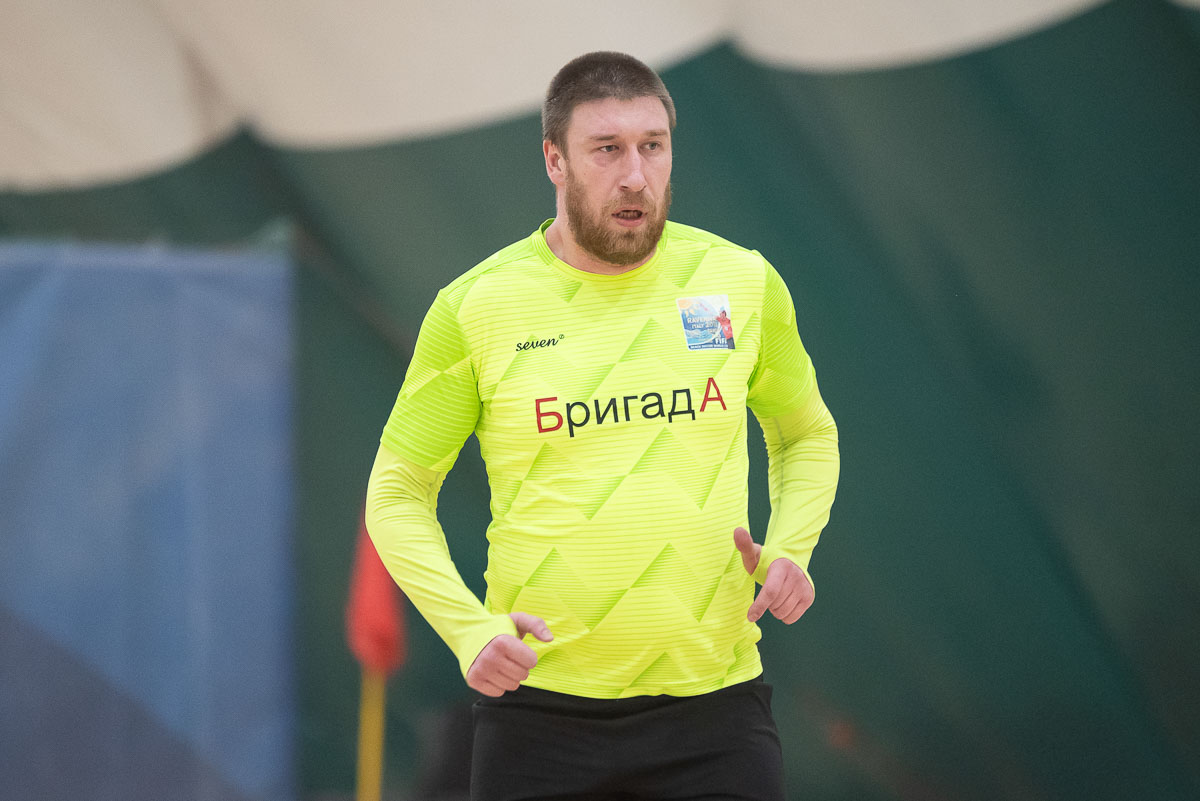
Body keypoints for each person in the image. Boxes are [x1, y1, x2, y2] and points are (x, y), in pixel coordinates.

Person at [366, 51, 840, 801]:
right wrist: (467, 628)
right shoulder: (476, 309)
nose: (635, 175)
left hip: (716, 716)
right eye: (607, 149)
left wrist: (791, 547)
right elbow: (397, 493)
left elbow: (805, 433)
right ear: (555, 161)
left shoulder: (739, 281)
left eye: (653, 146)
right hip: (540, 723)